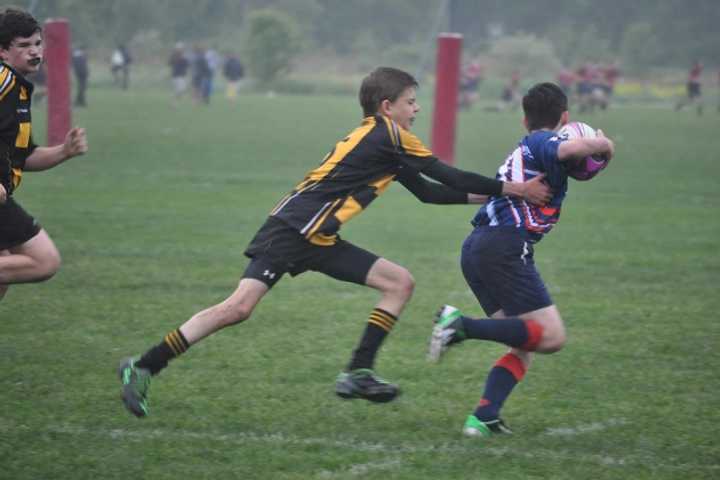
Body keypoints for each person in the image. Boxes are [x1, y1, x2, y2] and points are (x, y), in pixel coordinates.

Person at [117, 66, 552, 418]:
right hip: (291, 230)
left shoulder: (383, 141)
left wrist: (495, 194)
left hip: (319, 235)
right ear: (388, 106)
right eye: (411, 102)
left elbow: (431, 192)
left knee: (399, 282)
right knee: (238, 308)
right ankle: (143, 365)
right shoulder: (389, 133)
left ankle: (359, 372)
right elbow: (450, 176)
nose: (417, 109)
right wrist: (513, 190)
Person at [428, 82, 614, 437]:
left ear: (523, 118)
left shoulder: (523, 151)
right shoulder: (544, 142)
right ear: (564, 117)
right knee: (552, 337)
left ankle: (483, 417)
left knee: (524, 341)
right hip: (505, 247)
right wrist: (603, 143)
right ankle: (459, 325)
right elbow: (571, 148)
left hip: (478, 249)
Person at [0, 7, 88, 302]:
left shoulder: (19, 89)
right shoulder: (3, 82)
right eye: (23, 46)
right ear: (2, 51)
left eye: (38, 43)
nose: (35, 52)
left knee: (4, 272)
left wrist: (64, 151)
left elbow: (23, 157)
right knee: (44, 261)